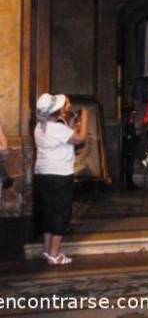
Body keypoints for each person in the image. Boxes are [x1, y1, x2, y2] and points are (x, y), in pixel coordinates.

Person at [34, 93, 89, 265]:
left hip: (43, 173)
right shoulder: (56, 128)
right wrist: (86, 118)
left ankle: (47, 250)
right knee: (60, 213)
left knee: (48, 212)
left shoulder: (39, 127)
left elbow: (64, 139)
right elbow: (80, 138)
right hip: (59, 174)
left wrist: (72, 124)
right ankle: (55, 254)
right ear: (57, 111)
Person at [122, 105, 138, 190]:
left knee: (130, 165)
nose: (134, 115)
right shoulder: (127, 123)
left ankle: (130, 182)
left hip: (131, 147)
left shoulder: (131, 123)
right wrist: (130, 137)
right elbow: (125, 135)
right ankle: (128, 183)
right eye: (133, 113)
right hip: (128, 148)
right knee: (128, 166)